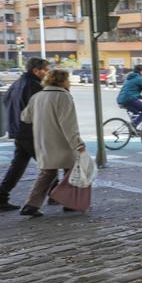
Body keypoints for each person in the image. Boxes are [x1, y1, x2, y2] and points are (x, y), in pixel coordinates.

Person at [19, 69, 86, 217]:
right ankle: (69, 203)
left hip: (43, 141)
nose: (70, 83)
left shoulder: (37, 96)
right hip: (63, 142)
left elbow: (25, 117)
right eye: (68, 80)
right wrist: (78, 143)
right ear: (61, 81)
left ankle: (31, 205)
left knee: (47, 173)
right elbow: (68, 124)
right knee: (71, 172)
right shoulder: (64, 97)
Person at [0, 57, 50, 212]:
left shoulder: (17, 83)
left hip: (18, 130)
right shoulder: (34, 86)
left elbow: (6, 102)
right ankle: (48, 198)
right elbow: (39, 110)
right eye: (45, 70)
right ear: (36, 71)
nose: (47, 73)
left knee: (18, 166)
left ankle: (0, 198)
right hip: (30, 131)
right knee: (49, 166)